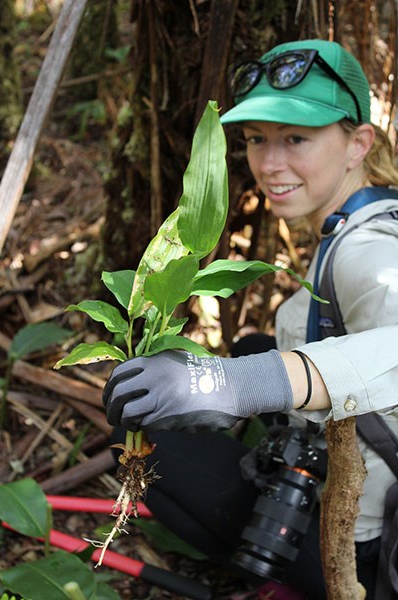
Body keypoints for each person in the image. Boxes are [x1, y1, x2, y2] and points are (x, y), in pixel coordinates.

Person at [103, 39, 398, 599]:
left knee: (140, 436)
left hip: (371, 548)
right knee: (251, 341)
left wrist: (237, 384)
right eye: (257, 139)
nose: (268, 163)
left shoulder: (370, 253)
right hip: (366, 483)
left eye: (296, 138)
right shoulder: (369, 216)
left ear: (358, 143)